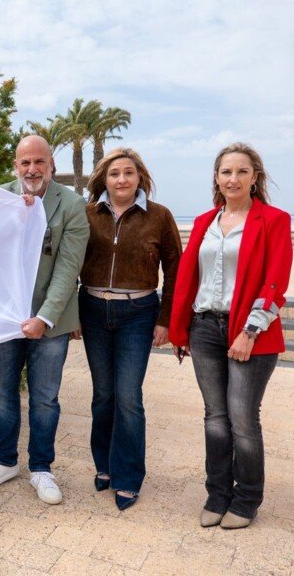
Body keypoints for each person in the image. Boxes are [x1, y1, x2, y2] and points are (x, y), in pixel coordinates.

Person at [169, 142, 292, 529]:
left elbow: (276, 282)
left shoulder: (274, 220)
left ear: (255, 178)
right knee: (215, 418)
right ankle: (217, 494)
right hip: (204, 327)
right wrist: (181, 329)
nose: (233, 178)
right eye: (226, 171)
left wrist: (250, 331)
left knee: (242, 418)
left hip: (249, 331)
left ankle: (246, 499)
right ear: (216, 178)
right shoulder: (205, 221)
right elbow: (191, 277)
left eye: (242, 171)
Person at [0, 135, 89, 505]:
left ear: (51, 164)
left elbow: (68, 269)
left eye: (40, 162)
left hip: (50, 321)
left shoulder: (71, 204)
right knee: (1, 394)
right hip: (4, 319)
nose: (33, 169)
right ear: (16, 165)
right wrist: (13, 219)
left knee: (44, 399)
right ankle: (4, 461)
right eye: (26, 163)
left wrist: (44, 317)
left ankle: (41, 468)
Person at [77, 148, 182, 510]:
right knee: (103, 395)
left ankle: (128, 476)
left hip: (138, 313)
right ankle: (105, 466)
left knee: (128, 397)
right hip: (92, 309)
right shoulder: (88, 214)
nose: (121, 179)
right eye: (114, 173)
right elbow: (69, 261)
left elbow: (175, 268)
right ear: (103, 179)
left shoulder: (159, 216)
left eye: (128, 173)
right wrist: (71, 315)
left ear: (140, 178)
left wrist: (165, 319)